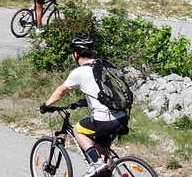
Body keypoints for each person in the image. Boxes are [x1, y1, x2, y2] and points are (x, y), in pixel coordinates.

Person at [40, 37, 128, 177]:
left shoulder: (79, 72)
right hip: (123, 117)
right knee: (102, 152)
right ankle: (107, 165)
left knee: (78, 130)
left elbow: (60, 91)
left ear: (76, 54)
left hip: (105, 120)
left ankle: (96, 164)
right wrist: (82, 102)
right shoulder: (104, 65)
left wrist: (45, 106)